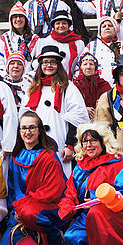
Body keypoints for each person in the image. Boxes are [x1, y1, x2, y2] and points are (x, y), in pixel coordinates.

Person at [1, 111, 67, 245]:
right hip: (22, 207)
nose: (27, 132)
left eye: (32, 127)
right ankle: (35, 236)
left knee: (29, 213)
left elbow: (53, 191)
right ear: (19, 131)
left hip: (47, 205)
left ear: (39, 130)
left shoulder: (49, 156)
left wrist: (23, 208)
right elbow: (14, 188)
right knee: (6, 244)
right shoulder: (16, 156)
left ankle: (53, 236)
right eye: (23, 128)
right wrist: (17, 209)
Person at [21, 46, 89, 176]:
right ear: (40, 65)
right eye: (45, 62)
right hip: (37, 143)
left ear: (58, 65)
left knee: (60, 176)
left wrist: (70, 145)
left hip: (60, 140)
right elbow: (25, 116)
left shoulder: (68, 87)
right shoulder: (33, 88)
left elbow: (78, 118)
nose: (49, 65)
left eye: (53, 62)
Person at [79, 16, 123, 86]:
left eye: (110, 26)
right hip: (99, 87)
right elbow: (80, 66)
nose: (107, 28)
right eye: (104, 26)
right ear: (100, 31)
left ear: (116, 29)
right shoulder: (92, 46)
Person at [32, 10, 84, 77]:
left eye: (64, 23)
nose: (61, 26)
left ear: (68, 25)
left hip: (72, 80)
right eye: (58, 23)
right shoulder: (45, 42)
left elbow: (81, 63)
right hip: (50, 81)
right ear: (53, 26)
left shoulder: (79, 43)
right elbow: (38, 63)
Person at [0, 1, 38, 76]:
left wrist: (30, 76)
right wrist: (5, 76)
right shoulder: (4, 38)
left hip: (29, 81)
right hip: (7, 81)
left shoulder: (35, 39)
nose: (18, 19)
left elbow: (40, 61)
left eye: (21, 16)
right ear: (10, 20)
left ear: (26, 19)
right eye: (15, 17)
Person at [72, 53, 112, 120]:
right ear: (81, 67)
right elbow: (72, 104)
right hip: (81, 120)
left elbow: (109, 103)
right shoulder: (75, 85)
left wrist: (98, 110)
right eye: (85, 64)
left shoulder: (104, 84)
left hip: (101, 119)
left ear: (95, 67)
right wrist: (84, 109)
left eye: (91, 64)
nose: (88, 67)